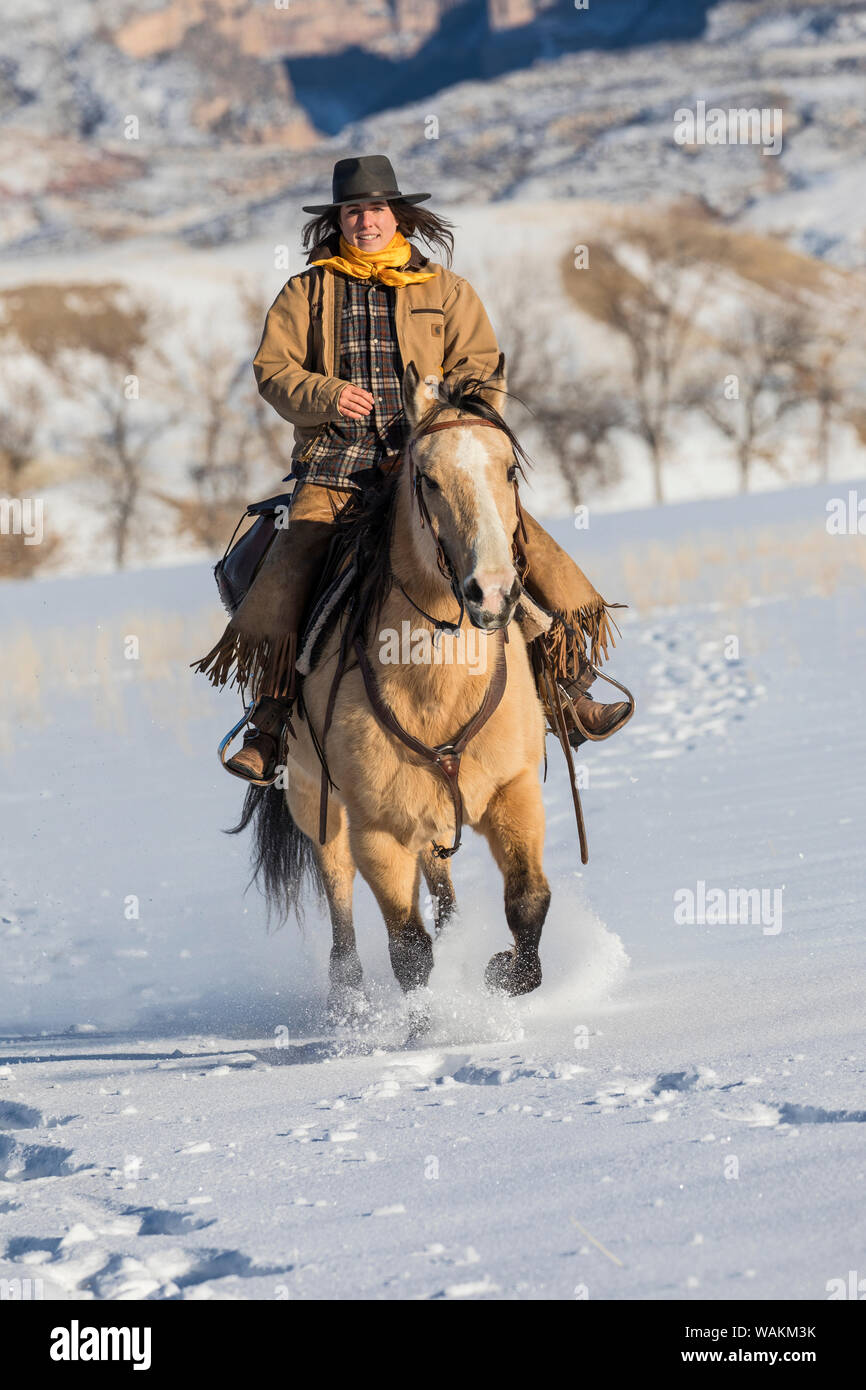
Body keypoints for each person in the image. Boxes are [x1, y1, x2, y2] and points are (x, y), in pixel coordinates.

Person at [194, 155, 631, 781]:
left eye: (375, 209)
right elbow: (273, 371)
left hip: (429, 465)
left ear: (396, 214)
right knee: (292, 568)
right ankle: (270, 726)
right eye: (352, 211)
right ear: (337, 220)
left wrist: (443, 412)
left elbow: (482, 369)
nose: (364, 221)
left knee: (512, 543)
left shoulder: (446, 291)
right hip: (337, 465)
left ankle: (567, 687)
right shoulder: (306, 291)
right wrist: (325, 394)